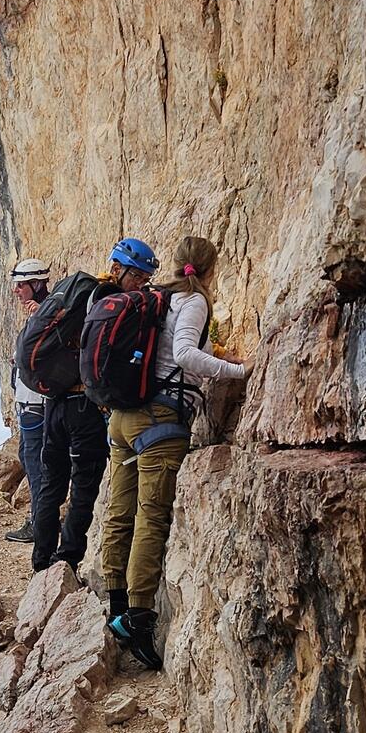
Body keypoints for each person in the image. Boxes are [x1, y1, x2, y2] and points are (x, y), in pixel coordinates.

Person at [102, 233, 252, 669]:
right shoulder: (195, 300)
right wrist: (236, 371)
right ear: (210, 269)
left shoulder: (158, 298)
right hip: (159, 421)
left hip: (122, 418)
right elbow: (185, 354)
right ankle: (139, 618)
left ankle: (115, 605)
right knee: (152, 516)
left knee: (120, 510)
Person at [27, 250, 152, 577]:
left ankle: (41, 564)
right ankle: (65, 562)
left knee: (51, 484)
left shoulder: (79, 293)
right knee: (83, 484)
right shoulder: (109, 301)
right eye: (136, 276)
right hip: (84, 407)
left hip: (53, 402)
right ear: (117, 268)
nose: (140, 284)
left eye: (144, 279)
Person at [6, 257, 50, 545]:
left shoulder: (44, 314)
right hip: (31, 402)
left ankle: (39, 522)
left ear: (36, 284)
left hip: (36, 403)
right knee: (30, 458)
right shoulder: (43, 312)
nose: (16, 291)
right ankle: (41, 518)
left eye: (21, 285)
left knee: (35, 462)